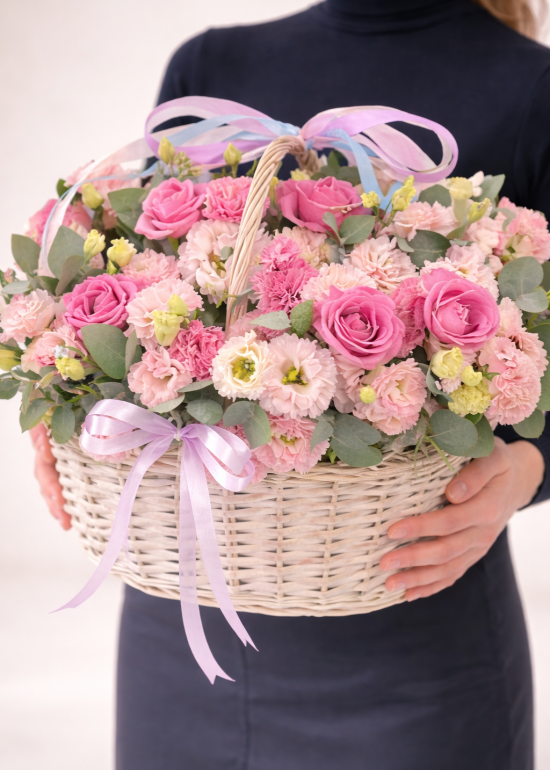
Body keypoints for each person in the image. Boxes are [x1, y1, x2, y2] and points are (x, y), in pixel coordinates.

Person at [31, 1, 550, 768]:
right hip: (186, 627)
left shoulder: (534, 87)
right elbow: (143, 297)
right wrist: (73, 405)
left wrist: (525, 471)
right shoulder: (210, 67)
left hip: (412, 628)